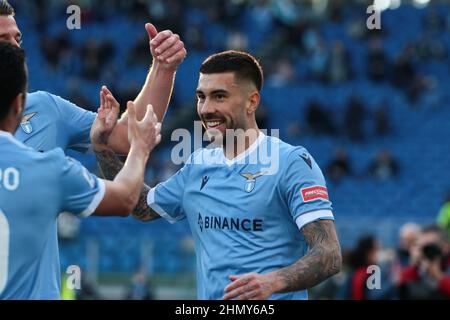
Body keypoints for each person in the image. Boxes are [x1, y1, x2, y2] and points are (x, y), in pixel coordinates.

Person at [94, 50, 342, 300]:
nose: (206, 108)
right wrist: (103, 147)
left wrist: (272, 282)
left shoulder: (291, 162)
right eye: (201, 97)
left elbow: (329, 254)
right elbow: (142, 208)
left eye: (219, 97)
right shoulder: (198, 164)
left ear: (252, 102)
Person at [0, 42, 161, 299]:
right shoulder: (49, 168)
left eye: (16, 36)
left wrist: (162, 68)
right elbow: (125, 198)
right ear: (19, 104)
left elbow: (119, 136)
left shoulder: (47, 110)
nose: (10, 42)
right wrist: (141, 148)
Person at [0, 0, 186, 155]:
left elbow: (129, 138)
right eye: (3, 40)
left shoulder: (45, 108)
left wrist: (163, 68)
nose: (16, 49)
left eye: (18, 40)